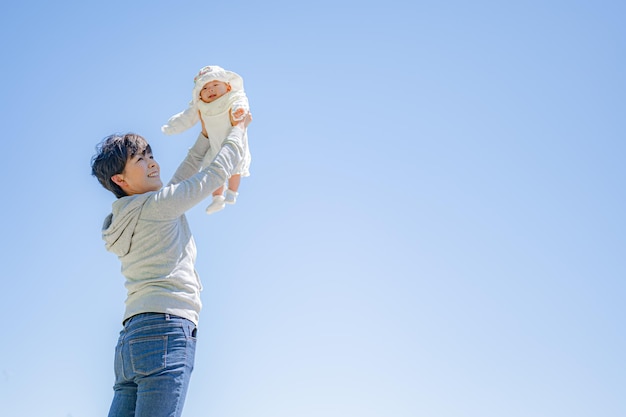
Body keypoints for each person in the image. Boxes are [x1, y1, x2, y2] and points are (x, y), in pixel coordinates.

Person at [91, 111, 252, 417]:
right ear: (120, 179)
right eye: (140, 160)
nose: (152, 162)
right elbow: (215, 174)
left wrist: (204, 137)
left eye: (150, 154)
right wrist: (238, 130)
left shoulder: (129, 215)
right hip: (166, 331)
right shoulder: (158, 207)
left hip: (131, 339)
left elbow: (181, 180)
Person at [162, 65, 252, 214]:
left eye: (215, 85)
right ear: (199, 95)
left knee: (235, 169)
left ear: (228, 87)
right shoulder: (202, 106)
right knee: (212, 170)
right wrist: (173, 126)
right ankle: (217, 198)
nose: (210, 89)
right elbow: (188, 117)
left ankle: (232, 192)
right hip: (214, 144)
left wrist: (239, 111)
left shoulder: (231, 97)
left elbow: (240, 101)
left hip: (235, 140)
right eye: (205, 88)